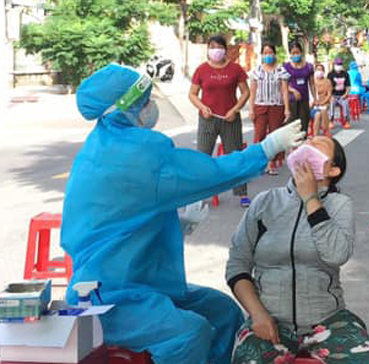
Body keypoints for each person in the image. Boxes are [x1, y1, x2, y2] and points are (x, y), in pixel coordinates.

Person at [62, 63, 306, 364]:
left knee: (224, 311)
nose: (150, 107)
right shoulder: (134, 152)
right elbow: (210, 173)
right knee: (190, 333)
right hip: (108, 293)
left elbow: (120, 214)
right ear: (128, 106)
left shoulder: (105, 144)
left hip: (142, 277)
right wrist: (267, 148)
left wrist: (174, 223)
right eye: (145, 102)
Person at [227, 137, 369, 363]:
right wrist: (257, 314)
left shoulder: (339, 204)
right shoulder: (265, 202)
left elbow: (337, 254)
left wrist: (311, 199)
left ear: (333, 170)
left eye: (318, 145)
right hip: (269, 320)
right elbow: (237, 264)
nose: (307, 146)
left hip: (329, 320)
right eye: (306, 141)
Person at [189, 35, 252, 207]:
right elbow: (192, 94)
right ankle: (199, 195)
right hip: (207, 118)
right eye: (212, 47)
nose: (215, 50)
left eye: (219, 47)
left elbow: (245, 92)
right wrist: (202, 107)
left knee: (236, 156)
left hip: (230, 118)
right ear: (208, 49)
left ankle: (242, 194)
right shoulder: (201, 69)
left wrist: (236, 109)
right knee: (202, 156)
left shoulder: (235, 69)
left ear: (225, 49)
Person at [250, 44, 291, 175]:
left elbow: (284, 91)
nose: (268, 55)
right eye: (265, 53)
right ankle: (258, 163)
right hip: (260, 105)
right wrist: (251, 109)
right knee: (259, 134)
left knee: (274, 135)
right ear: (262, 55)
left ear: (274, 54)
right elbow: (253, 91)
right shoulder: (256, 71)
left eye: (270, 52)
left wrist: (287, 109)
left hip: (276, 106)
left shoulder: (281, 71)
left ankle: (270, 163)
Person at [284, 42, 315, 132]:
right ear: (290, 54)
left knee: (304, 124)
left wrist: (315, 98)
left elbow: (312, 84)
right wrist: (293, 90)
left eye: (297, 52)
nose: (295, 55)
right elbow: (283, 86)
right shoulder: (286, 67)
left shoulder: (308, 67)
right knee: (292, 125)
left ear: (301, 53)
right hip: (291, 101)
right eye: (293, 53)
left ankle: (303, 143)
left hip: (304, 100)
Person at [327, 57, 351, 129]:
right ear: (335, 65)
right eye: (337, 64)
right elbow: (328, 86)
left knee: (345, 104)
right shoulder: (330, 74)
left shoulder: (346, 74)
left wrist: (346, 94)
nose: (339, 65)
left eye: (340, 64)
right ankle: (331, 121)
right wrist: (330, 95)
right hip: (333, 95)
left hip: (342, 95)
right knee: (332, 103)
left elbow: (348, 86)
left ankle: (347, 121)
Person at [311, 65, 333, 136]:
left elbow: (329, 94)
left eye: (321, 69)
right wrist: (315, 101)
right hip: (314, 102)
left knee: (323, 110)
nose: (319, 71)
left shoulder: (327, 81)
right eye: (318, 69)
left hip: (324, 102)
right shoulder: (312, 81)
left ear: (323, 71)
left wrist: (323, 102)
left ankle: (326, 129)